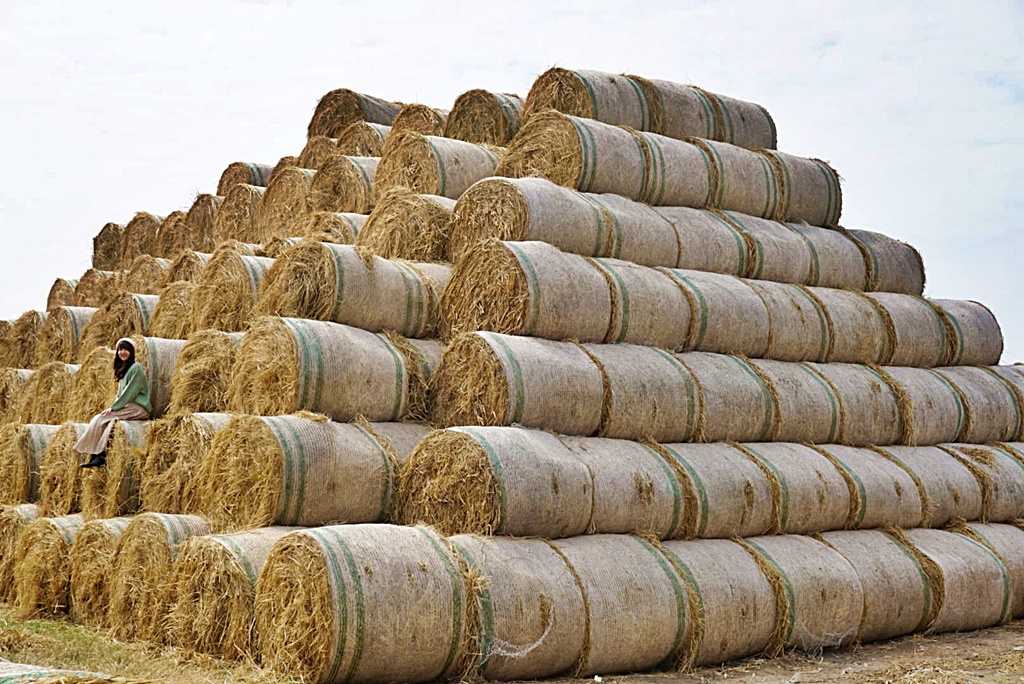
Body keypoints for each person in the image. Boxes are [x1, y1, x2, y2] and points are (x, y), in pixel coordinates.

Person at [75, 338, 152, 468]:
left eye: (125, 349)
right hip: (129, 406)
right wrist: (113, 407)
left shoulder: (136, 368)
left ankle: (95, 453)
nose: (122, 352)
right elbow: (120, 394)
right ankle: (99, 455)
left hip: (139, 408)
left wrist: (114, 407)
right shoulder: (123, 370)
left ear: (132, 351)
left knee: (101, 418)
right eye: (120, 350)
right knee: (108, 421)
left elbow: (130, 391)